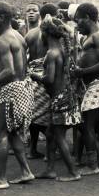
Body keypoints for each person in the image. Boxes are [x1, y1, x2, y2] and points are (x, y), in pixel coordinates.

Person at [0, 2, 35, 190]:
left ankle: (0, 179)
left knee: (1, 135)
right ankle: (26, 171)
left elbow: (10, 70)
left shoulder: (2, 40)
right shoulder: (17, 35)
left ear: (2, 18)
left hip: (11, 90)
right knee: (13, 134)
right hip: (22, 88)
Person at [32, 15, 82, 182]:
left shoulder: (51, 53)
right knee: (50, 133)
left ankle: (73, 172)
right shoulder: (61, 50)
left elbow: (49, 79)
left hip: (59, 99)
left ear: (45, 34)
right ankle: (50, 169)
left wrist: (34, 75)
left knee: (59, 137)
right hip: (65, 95)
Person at [72, 3, 99, 176]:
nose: (77, 24)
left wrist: (82, 71)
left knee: (86, 124)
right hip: (92, 85)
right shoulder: (90, 36)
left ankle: (93, 165)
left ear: (87, 18)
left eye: (78, 20)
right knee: (90, 125)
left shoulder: (98, 36)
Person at [25, 3, 59, 159]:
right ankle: (50, 150)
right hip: (46, 75)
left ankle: (33, 149)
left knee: (34, 114)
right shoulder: (53, 33)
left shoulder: (30, 33)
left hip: (31, 75)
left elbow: (23, 55)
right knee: (48, 115)